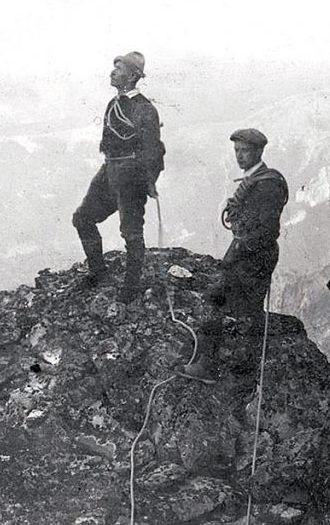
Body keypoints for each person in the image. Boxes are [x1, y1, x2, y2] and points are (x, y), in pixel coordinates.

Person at [179, 128, 288, 383]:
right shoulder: (255, 180)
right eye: (236, 151)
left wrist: (242, 248)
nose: (239, 156)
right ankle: (216, 364)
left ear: (258, 152)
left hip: (255, 256)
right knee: (222, 300)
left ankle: (226, 369)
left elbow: (268, 229)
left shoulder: (267, 185)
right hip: (245, 251)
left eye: (245, 151)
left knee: (243, 310)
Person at [72, 52, 165, 303]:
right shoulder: (112, 105)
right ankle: (97, 272)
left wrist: (149, 180)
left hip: (131, 174)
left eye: (120, 68)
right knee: (82, 218)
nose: (113, 72)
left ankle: (131, 286)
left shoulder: (145, 109)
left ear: (133, 76)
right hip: (109, 169)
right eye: (113, 67)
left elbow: (154, 150)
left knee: (131, 231)